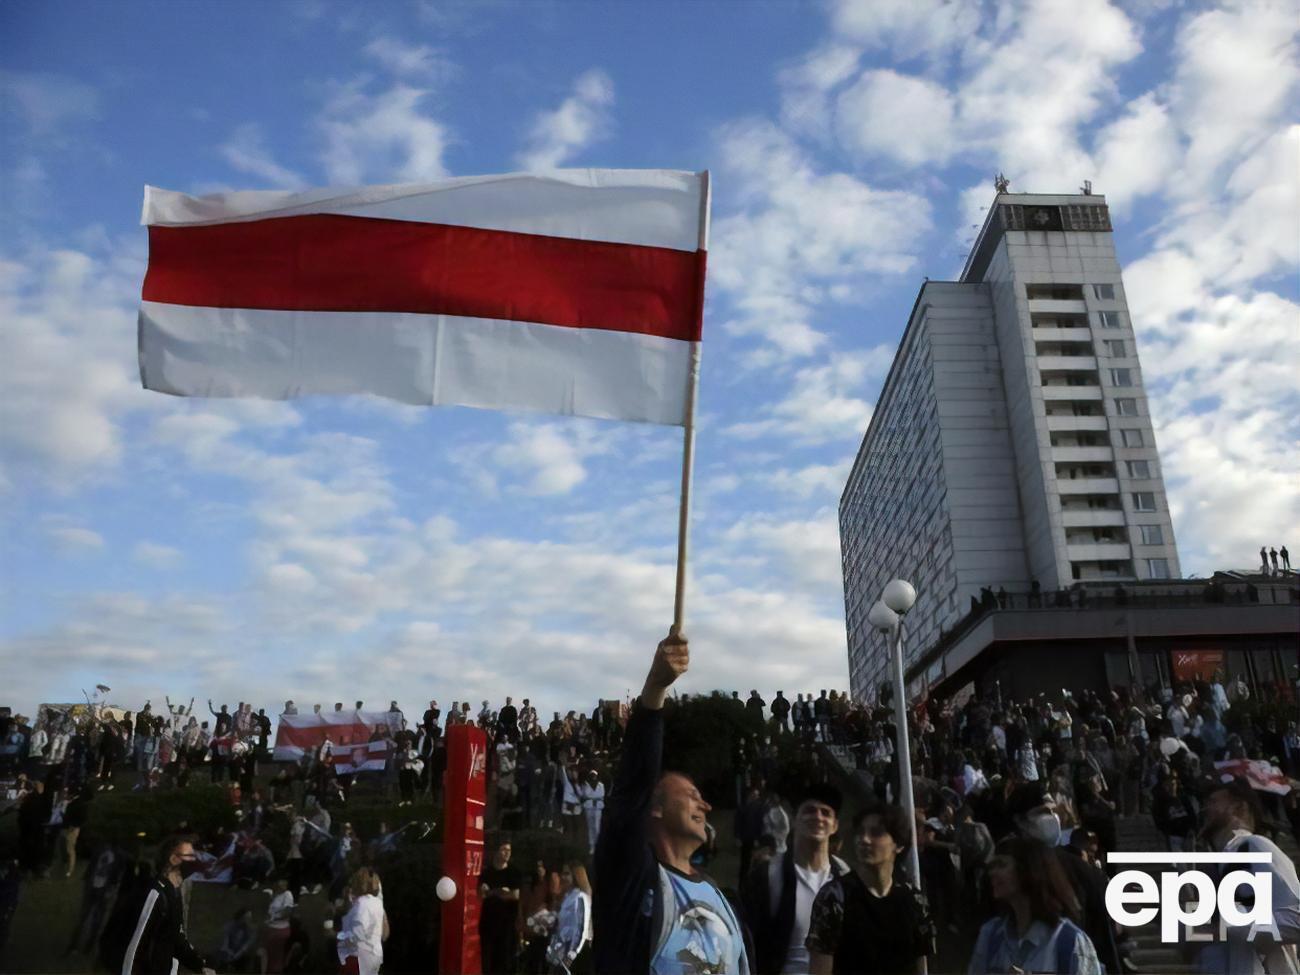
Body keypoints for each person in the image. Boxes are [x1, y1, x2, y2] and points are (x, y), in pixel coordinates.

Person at [593, 630, 749, 974]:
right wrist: (655, 688)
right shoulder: (630, 880)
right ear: (656, 807)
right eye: (691, 796)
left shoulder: (723, 899)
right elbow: (633, 786)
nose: (705, 806)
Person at [805, 802, 933, 975]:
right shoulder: (835, 897)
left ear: (899, 844)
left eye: (876, 833)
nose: (864, 840)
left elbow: (921, 965)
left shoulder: (915, 900)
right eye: (860, 833)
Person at [1195, 777, 1300, 974]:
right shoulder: (1218, 865)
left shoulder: (1254, 846)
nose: (1204, 809)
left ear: (1239, 807)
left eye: (1213, 801)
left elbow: (1297, 918)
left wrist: (1233, 926)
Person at [743, 783, 850, 974]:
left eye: (826, 813)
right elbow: (747, 941)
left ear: (834, 826)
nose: (818, 817)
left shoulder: (845, 878)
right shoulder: (767, 875)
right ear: (794, 819)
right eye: (809, 810)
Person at [968, 836, 1102, 974]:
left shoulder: (1069, 942)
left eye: (1001, 865)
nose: (992, 873)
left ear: (1029, 869)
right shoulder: (990, 935)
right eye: (992, 866)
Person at [116, 834, 215, 974]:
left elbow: (177, 938)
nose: (195, 860)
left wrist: (199, 965)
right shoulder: (155, 894)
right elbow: (135, 946)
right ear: (174, 859)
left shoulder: (175, 894)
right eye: (190, 856)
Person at [479, 838, 522, 974]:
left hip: (507, 924)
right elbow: (482, 894)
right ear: (496, 852)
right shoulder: (487, 872)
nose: (507, 853)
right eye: (504, 850)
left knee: (505, 961)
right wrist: (500, 892)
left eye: (509, 850)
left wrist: (494, 892)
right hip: (488, 924)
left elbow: (515, 895)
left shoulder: (513, 872)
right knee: (488, 962)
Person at [337, 866, 387, 975]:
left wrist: (341, 936)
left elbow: (357, 935)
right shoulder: (376, 904)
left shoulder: (362, 904)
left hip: (357, 959)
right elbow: (384, 933)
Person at [548, 861, 593, 974]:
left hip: (578, 950)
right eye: (562, 873)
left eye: (567, 874)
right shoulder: (567, 897)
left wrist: (572, 953)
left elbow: (581, 928)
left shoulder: (580, 897)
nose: (563, 877)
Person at [259, 877, 295, 973]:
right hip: (270, 928)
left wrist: (274, 918)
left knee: (277, 956)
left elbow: (288, 912)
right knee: (267, 954)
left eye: (284, 884)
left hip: (280, 929)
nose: (282, 885)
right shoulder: (273, 894)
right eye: (280, 883)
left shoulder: (288, 895)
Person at [212, 907, 255, 972]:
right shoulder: (229, 926)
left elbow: (246, 946)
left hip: (240, 955)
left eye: (250, 918)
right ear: (241, 917)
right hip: (226, 952)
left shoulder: (250, 930)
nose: (249, 920)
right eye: (247, 918)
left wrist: (237, 955)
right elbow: (225, 943)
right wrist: (228, 952)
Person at [579, 770, 605, 856]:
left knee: (597, 827)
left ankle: (598, 845)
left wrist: (591, 796)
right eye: (592, 775)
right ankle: (592, 846)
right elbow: (584, 795)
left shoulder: (601, 785)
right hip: (589, 807)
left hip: (598, 808)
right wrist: (591, 796)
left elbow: (601, 795)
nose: (593, 777)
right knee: (590, 827)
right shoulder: (585, 785)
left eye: (594, 775)